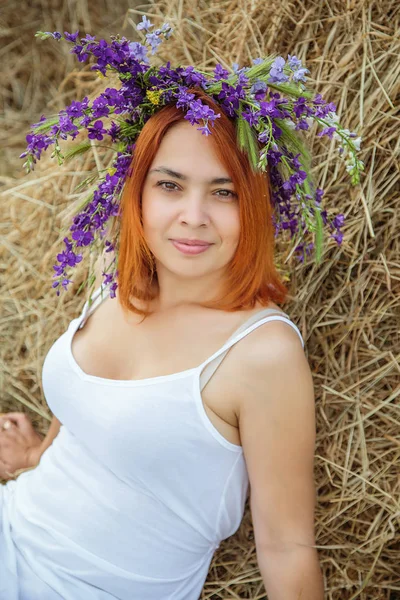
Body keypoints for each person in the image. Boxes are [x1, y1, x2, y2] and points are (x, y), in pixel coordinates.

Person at [0, 102, 324, 599]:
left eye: (224, 193)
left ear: (254, 206)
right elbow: (90, 408)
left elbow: (287, 548)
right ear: (139, 192)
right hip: (13, 526)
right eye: (170, 185)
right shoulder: (114, 281)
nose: (193, 217)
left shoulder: (261, 354)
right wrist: (39, 457)